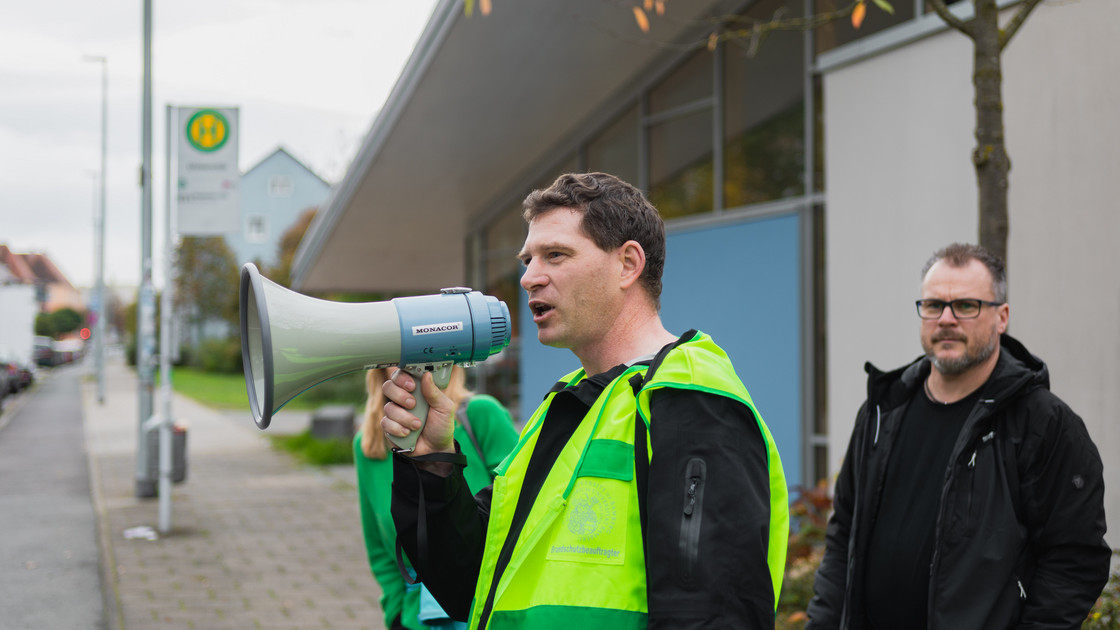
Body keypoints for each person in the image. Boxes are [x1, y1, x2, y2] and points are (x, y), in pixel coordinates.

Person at [381, 172, 790, 629]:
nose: (529, 278)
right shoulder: (572, 404)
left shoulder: (691, 402)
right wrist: (432, 461)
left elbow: (714, 614)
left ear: (628, 264)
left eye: (555, 255)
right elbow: (475, 581)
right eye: (527, 259)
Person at [805, 243, 1110, 630]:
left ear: (1002, 317)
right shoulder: (883, 411)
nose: (946, 319)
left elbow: (1074, 560)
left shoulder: (1043, 424)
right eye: (933, 305)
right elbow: (844, 534)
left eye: (966, 306)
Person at [354, 366, 519, 629]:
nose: (408, 362)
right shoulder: (368, 444)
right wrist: (397, 613)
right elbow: (378, 548)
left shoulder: (481, 416)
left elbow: (522, 511)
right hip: (415, 618)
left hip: (490, 611)